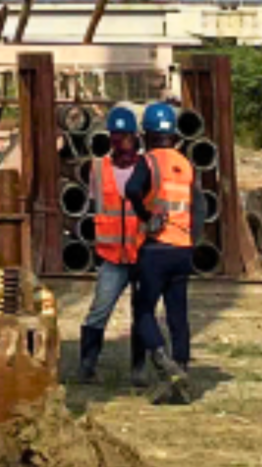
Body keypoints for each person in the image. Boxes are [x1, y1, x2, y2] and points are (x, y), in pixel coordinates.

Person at [72, 104, 148, 384]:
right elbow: (98, 205)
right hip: (112, 257)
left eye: (126, 137)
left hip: (141, 254)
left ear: (135, 138)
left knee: (142, 315)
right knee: (98, 312)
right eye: (116, 138)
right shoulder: (99, 168)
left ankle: (139, 369)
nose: (121, 143)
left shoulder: (146, 167)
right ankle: (87, 365)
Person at [127, 100, 195, 404]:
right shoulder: (185, 164)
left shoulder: (149, 161)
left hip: (156, 248)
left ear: (147, 135)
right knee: (177, 313)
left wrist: (144, 214)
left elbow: (132, 189)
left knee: (144, 310)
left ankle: (162, 361)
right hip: (183, 249)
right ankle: (181, 369)